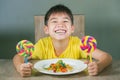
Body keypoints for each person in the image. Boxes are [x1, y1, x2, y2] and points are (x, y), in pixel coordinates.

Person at [13, 4, 112, 77]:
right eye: (54, 21)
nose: (60, 25)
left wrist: (100, 66)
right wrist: (20, 67)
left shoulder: (79, 44)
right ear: (46, 29)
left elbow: (106, 57)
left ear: (72, 28)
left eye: (65, 21)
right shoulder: (42, 45)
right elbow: (18, 57)